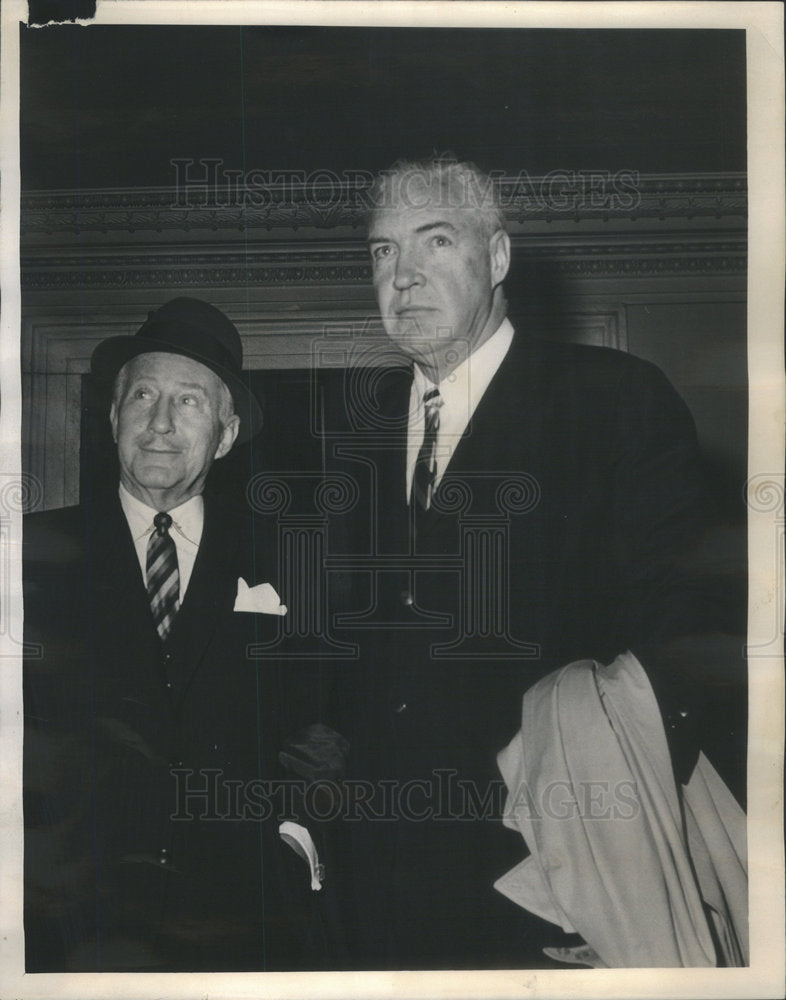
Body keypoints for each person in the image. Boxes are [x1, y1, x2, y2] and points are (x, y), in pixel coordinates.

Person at [323, 157, 746, 969]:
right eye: (381, 251)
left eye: (434, 240)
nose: (402, 276)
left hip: (553, 876)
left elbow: (694, 631)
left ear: (500, 258)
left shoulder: (613, 398)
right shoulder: (348, 433)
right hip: (374, 889)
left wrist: (611, 867)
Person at [23, 297, 331, 972]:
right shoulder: (28, 554)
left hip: (238, 923)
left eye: (189, 401)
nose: (160, 423)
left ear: (225, 433)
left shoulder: (290, 562)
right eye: (143, 395)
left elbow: (335, 724)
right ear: (113, 417)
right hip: (66, 926)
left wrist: (301, 835)